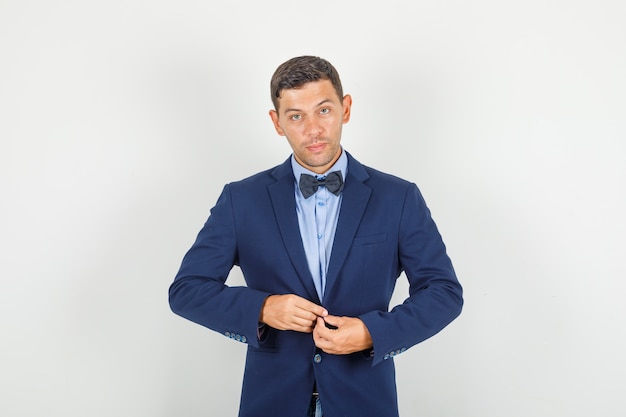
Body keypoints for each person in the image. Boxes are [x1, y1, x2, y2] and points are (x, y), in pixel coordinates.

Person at [169, 55, 463, 417]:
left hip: (365, 401)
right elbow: (187, 290)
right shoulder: (241, 200)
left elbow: (443, 292)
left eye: (323, 110)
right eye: (296, 116)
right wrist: (263, 308)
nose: (313, 129)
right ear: (277, 123)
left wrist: (373, 332)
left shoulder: (398, 198)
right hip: (271, 402)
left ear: (346, 108)